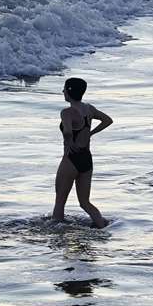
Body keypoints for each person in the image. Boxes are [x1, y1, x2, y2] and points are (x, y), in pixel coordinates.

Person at [53, 77, 112, 227]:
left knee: (60, 200)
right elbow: (107, 120)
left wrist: (70, 142)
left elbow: (67, 131)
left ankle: (56, 235)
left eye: (64, 88)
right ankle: (101, 225)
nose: (63, 91)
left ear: (69, 91)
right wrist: (90, 133)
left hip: (71, 159)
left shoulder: (67, 112)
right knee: (85, 202)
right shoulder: (89, 108)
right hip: (86, 158)